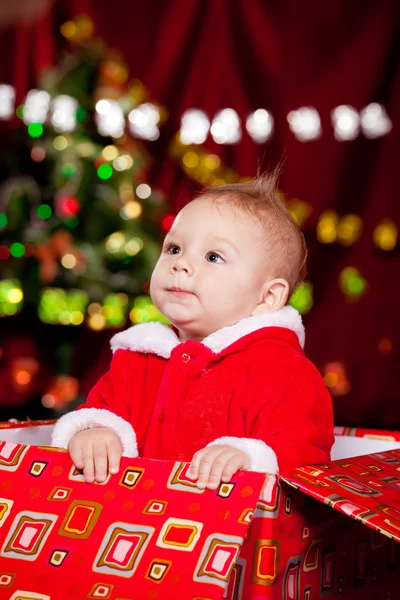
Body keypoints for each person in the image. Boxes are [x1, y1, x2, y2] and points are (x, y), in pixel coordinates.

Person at [51, 170, 334, 490]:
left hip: (234, 533)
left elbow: (308, 457)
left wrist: (249, 458)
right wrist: (96, 432)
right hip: (135, 523)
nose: (180, 263)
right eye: (174, 248)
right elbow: (103, 409)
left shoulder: (285, 371)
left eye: (214, 256)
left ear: (267, 296)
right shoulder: (137, 359)